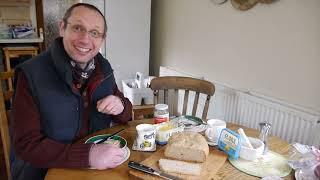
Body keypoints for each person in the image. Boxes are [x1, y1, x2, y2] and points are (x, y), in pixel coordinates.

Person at [10, 3, 132, 180]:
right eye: (77, 28)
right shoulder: (30, 74)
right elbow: (26, 144)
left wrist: (120, 105)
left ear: (102, 39)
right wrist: (88, 156)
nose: (85, 39)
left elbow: (126, 114)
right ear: (62, 28)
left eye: (94, 33)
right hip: (44, 172)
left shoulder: (103, 67)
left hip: (98, 170)